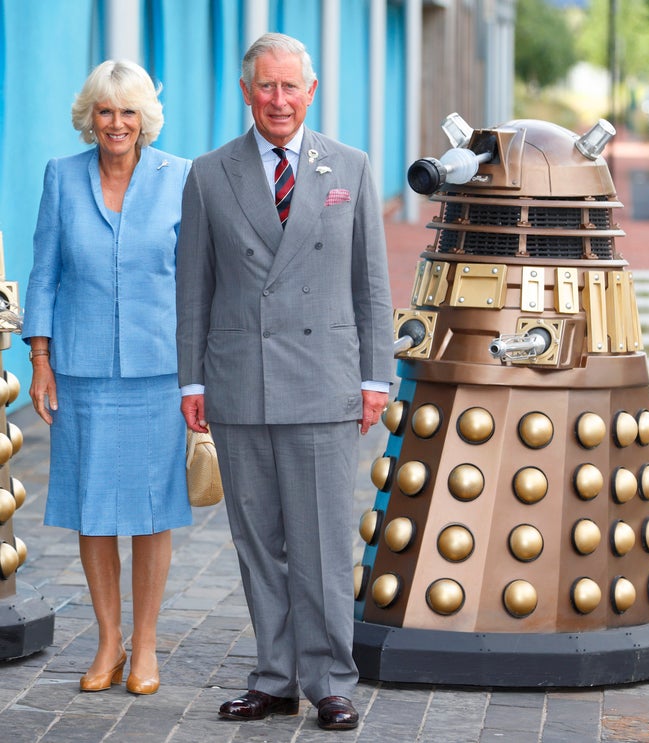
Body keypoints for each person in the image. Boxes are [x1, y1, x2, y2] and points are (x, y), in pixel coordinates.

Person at [175, 33, 394, 730]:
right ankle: (274, 677)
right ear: (247, 92)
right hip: (240, 383)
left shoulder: (351, 168)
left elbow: (373, 286)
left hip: (326, 383)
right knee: (258, 543)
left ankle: (329, 679)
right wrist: (191, 381)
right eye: (265, 87)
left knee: (325, 543)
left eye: (289, 86)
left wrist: (375, 376)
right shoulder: (210, 173)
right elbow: (193, 289)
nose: (277, 99)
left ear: (311, 92)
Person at [22, 60, 192, 696]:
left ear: (144, 116)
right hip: (82, 369)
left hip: (159, 371)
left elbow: (197, 279)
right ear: (89, 117)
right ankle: (108, 643)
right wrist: (39, 359)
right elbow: (45, 272)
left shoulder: (181, 178)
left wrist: (200, 372)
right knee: (94, 511)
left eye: (127, 111)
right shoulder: (61, 177)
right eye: (105, 111)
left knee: (152, 511)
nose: (116, 123)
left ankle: (145, 645)